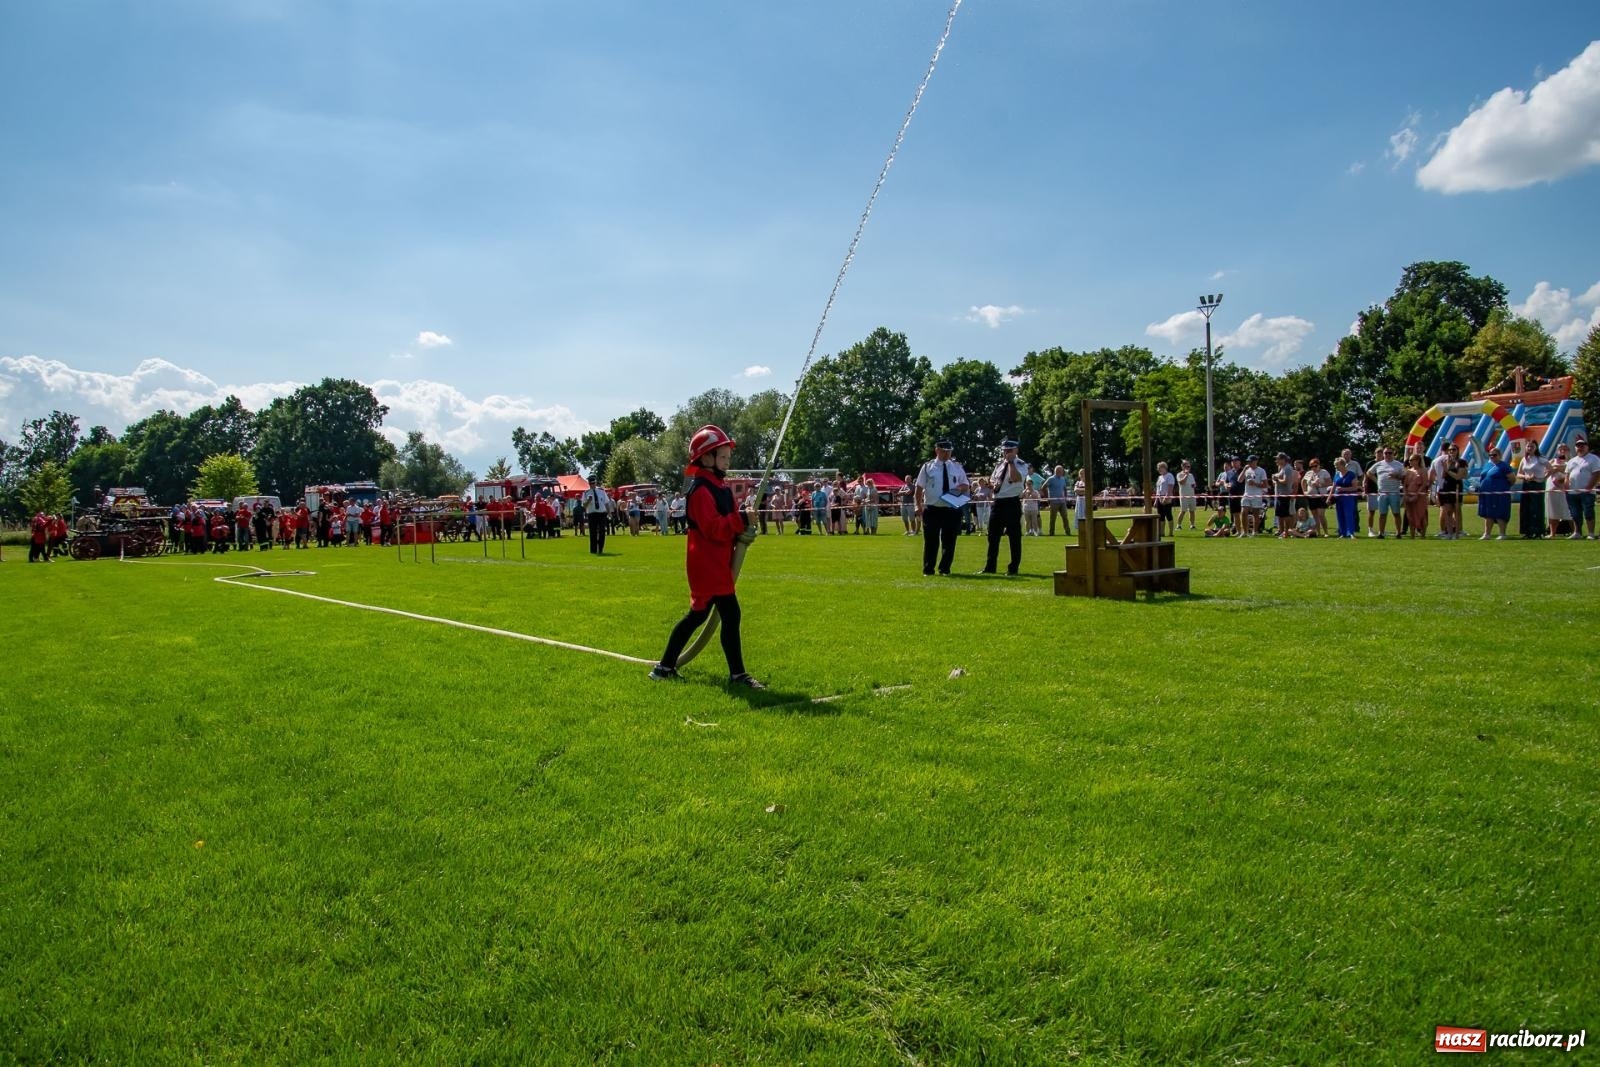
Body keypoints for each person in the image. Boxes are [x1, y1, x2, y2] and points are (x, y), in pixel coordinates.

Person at [650, 424, 763, 689]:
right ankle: (737, 675)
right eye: (722, 456)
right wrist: (740, 519)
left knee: (701, 616)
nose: (727, 461)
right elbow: (713, 528)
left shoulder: (720, 487)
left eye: (728, 457)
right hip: (706, 565)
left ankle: (664, 667)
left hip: (718, 564)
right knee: (724, 614)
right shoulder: (700, 490)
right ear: (706, 458)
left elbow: (730, 522)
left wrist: (745, 527)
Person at [914, 437, 970, 576]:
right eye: (944, 451)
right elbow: (919, 488)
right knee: (931, 541)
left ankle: (945, 569)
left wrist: (957, 490)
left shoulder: (957, 466)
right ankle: (928, 569)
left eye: (949, 451)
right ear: (937, 450)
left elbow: (965, 484)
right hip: (932, 508)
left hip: (951, 508)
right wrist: (917, 505)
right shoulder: (928, 467)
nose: (947, 454)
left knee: (949, 541)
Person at [982, 438, 1028, 575]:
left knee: (1014, 537)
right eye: (1005, 450)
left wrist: (1011, 463)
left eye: (1009, 450)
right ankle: (990, 567)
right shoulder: (999, 465)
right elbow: (993, 481)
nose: (1006, 453)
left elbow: (1015, 478)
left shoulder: (1021, 464)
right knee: (992, 536)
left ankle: (1013, 568)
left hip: (1012, 502)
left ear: (1016, 450)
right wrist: (991, 485)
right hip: (998, 503)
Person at [1476, 445, 1513, 539]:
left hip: (1500, 495)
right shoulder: (1487, 465)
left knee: (1500, 514)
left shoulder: (1504, 466)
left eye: (1494, 455)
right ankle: (1487, 534)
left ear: (1500, 455)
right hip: (1487, 495)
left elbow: (1512, 479)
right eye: (1490, 455)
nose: (1492, 456)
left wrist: (1502, 487)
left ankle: (1502, 534)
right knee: (1488, 514)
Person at [1566, 437, 1600, 539]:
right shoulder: (1571, 461)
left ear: (1587, 447)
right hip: (1572, 492)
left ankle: (1591, 533)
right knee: (1575, 513)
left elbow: (1596, 473)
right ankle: (1577, 533)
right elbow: (1567, 475)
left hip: (1587, 491)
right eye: (1578, 446)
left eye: (1582, 446)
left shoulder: (1593, 459)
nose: (1580, 448)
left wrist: (1589, 487)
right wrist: (1566, 486)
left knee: (1588, 512)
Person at [1370, 446, 1404, 538]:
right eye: (1386, 453)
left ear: (1393, 454)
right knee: (1382, 514)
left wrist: (1396, 476)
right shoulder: (1379, 464)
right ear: (1383, 454)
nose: (1388, 455)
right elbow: (1369, 473)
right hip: (1382, 493)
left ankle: (1398, 533)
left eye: (1390, 453)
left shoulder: (1399, 464)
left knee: (1396, 513)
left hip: (1394, 493)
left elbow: (1404, 477)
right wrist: (1377, 481)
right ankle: (1381, 533)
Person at [1516, 441, 1548, 539]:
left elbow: (1550, 469)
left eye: (1532, 446)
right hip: (1527, 484)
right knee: (1526, 508)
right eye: (1528, 446)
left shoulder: (1540, 458)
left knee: (1537, 508)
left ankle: (1538, 531)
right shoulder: (1524, 459)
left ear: (1536, 448)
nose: (1530, 448)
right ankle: (1527, 531)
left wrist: (1543, 478)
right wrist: (1525, 476)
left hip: (1538, 485)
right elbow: (1518, 474)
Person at [1402, 452, 1429, 538]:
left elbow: (1424, 484)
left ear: (1417, 460)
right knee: (1410, 516)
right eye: (1409, 460)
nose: (1410, 462)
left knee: (1422, 515)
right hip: (1409, 496)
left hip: (1420, 497)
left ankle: (1423, 535)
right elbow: (1404, 484)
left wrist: (1417, 494)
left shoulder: (1423, 470)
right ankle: (1412, 535)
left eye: (1411, 460)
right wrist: (1405, 494)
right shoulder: (1408, 471)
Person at [1239, 456, 1267, 537]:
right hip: (1247, 494)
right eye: (1248, 462)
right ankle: (1244, 532)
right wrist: (1244, 469)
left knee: (1256, 513)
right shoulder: (1247, 470)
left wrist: (1254, 483)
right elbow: (1239, 480)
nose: (1249, 463)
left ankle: (1255, 532)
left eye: (1250, 461)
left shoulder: (1261, 471)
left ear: (1255, 461)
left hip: (1257, 495)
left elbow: (1265, 485)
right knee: (1243, 512)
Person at [1269, 453, 1296, 538]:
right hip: (1279, 495)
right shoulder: (1282, 468)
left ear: (1283, 460)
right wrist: (1275, 479)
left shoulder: (1287, 468)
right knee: (1280, 515)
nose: (1276, 461)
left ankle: (1286, 533)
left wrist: (1277, 479)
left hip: (1284, 494)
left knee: (1285, 515)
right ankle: (1281, 532)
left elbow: (1286, 481)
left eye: (1278, 459)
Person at [1331, 457, 1360, 538]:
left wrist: (1343, 489)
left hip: (1348, 498)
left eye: (1337, 465)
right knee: (1340, 515)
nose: (1335, 467)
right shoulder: (1337, 474)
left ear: (1342, 465)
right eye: (1335, 465)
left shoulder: (1351, 474)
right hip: (1338, 498)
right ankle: (1342, 533)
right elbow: (1333, 487)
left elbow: (1355, 488)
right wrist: (1329, 497)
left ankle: (1351, 533)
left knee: (1349, 515)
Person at [582, 483, 613, 554]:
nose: (592, 485)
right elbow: (584, 506)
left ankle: (600, 548)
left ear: (595, 483)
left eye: (593, 483)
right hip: (592, 514)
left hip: (601, 513)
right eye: (591, 483)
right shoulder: (586, 493)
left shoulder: (601, 491)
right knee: (593, 532)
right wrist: (588, 501)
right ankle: (593, 550)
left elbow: (606, 503)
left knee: (602, 531)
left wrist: (609, 513)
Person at [1043, 465, 1070, 536]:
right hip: (1053, 502)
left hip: (1062, 501)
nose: (1061, 472)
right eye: (1060, 471)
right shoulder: (1051, 479)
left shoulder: (1063, 479)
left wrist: (1065, 498)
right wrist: (1047, 498)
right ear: (1056, 471)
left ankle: (1068, 532)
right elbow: (1043, 487)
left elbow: (1065, 489)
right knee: (1053, 518)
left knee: (1065, 517)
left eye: (1062, 471)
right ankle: (1051, 533)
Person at [1154, 461, 1176, 538]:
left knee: (1168, 514)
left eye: (1159, 468)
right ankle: (1162, 532)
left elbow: (1170, 488)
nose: (1158, 470)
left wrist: (1166, 497)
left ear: (1164, 468)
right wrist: (1156, 499)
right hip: (1159, 498)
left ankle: (1170, 532)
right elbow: (1158, 489)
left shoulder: (1169, 475)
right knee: (1161, 516)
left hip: (1167, 498)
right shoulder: (1159, 477)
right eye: (1158, 468)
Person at [1175, 459, 1198, 530]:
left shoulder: (1191, 475)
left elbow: (1194, 484)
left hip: (1192, 495)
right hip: (1184, 496)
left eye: (1189, 466)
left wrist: (1194, 485)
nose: (1188, 468)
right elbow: (1181, 482)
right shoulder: (1179, 474)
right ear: (1183, 467)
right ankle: (1178, 525)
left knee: (1192, 511)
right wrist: (1186, 475)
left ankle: (1192, 525)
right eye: (1187, 466)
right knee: (1183, 511)